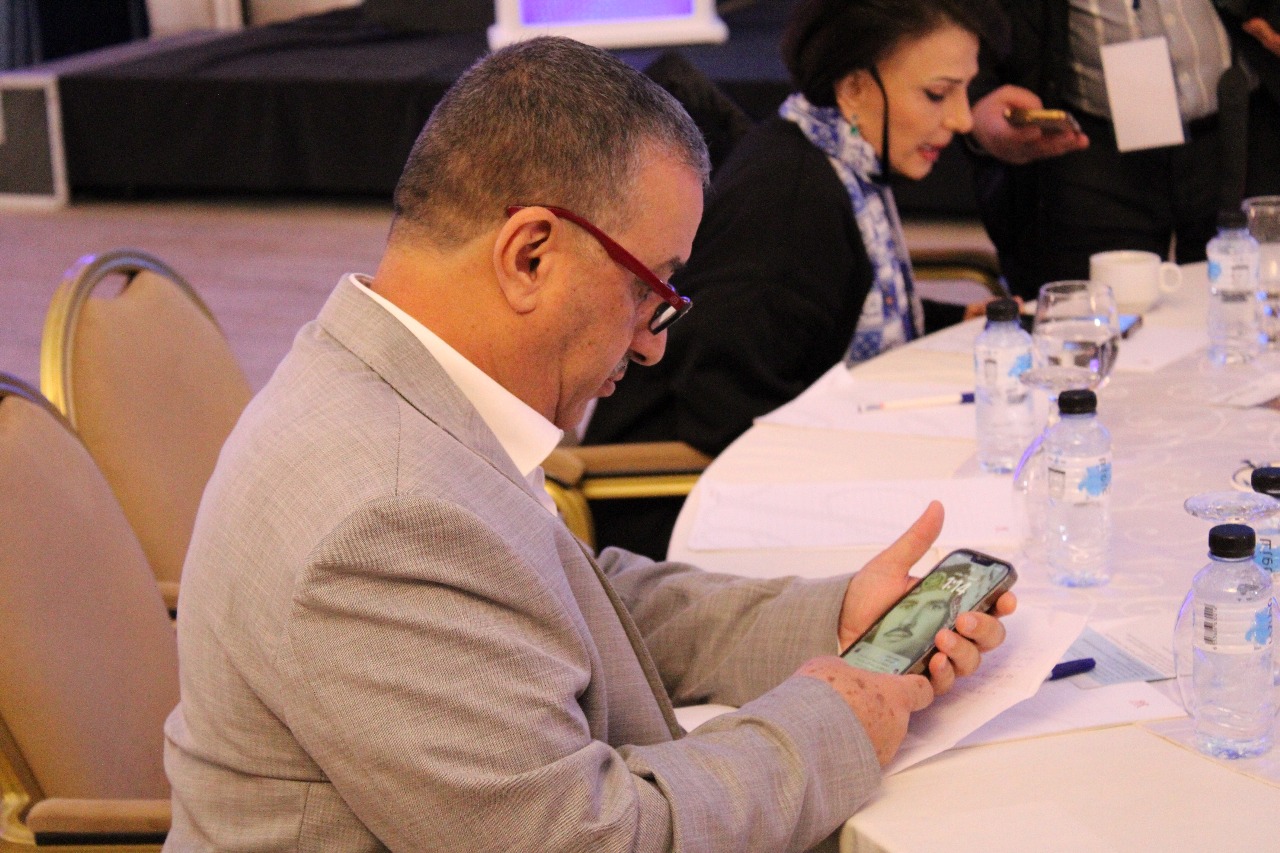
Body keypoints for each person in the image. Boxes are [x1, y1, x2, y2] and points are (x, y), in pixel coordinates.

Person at [162, 37, 1015, 852]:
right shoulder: (385, 516)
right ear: (531, 255)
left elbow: (566, 601)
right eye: (650, 290)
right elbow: (587, 835)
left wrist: (834, 617)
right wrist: (834, 720)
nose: (651, 347)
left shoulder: (392, 388)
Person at [583, 0, 1010, 559]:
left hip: (758, 481)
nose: (961, 119)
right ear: (854, 89)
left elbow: (825, 309)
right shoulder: (792, 200)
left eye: (965, 92)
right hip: (677, 509)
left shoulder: (830, 157)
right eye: (937, 94)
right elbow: (720, 405)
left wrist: (952, 319)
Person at [967, 0, 1280, 300]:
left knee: (1254, 298)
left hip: (1242, 127)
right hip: (1092, 145)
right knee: (1094, 312)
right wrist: (976, 102)